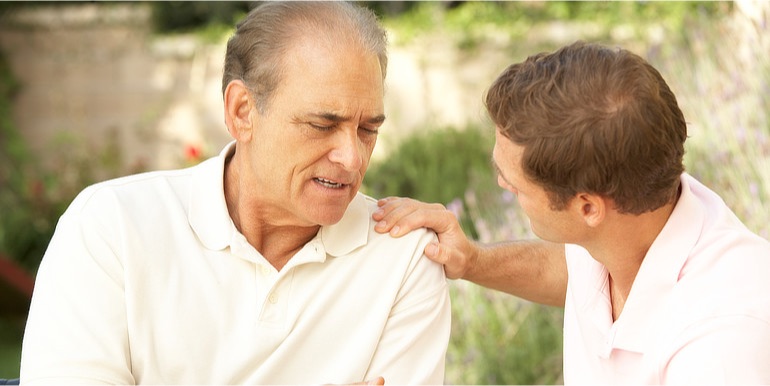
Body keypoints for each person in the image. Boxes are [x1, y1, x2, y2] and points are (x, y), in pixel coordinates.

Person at [20, 2, 451, 384]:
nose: (353, 157)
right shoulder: (110, 226)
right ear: (242, 111)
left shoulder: (406, 256)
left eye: (368, 130)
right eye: (323, 125)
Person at [373, 41, 770, 384]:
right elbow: (570, 271)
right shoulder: (631, 223)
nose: (502, 186)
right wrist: (472, 260)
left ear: (588, 207)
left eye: (515, 183)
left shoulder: (719, 347)